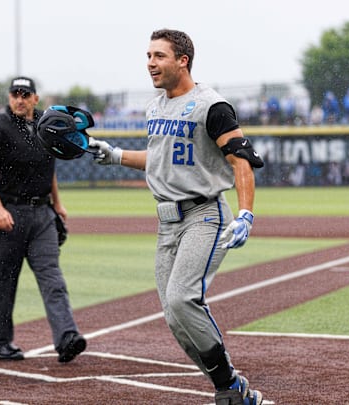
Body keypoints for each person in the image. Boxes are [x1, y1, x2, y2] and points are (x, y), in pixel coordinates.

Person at [89, 29, 264, 405]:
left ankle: (229, 387)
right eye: (148, 55)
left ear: (183, 60)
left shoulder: (211, 105)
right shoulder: (156, 107)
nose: (150, 63)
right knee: (174, 316)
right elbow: (160, 159)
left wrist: (246, 212)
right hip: (167, 222)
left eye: (159, 56)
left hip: (204, 213)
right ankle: (231, 387)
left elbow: (241, 161)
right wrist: (116, 154)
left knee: (184, 299)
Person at [0, 76, 86, 363]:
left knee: (52, 277)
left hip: (42, 214)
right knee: (4, 280)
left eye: (26, 94)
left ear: (36, 98)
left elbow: (49, 168)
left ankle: (67, 337)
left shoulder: (47, 123)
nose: (20, 99)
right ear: (9, 97)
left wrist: (58, 205)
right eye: (15, 94)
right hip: (10, 212)